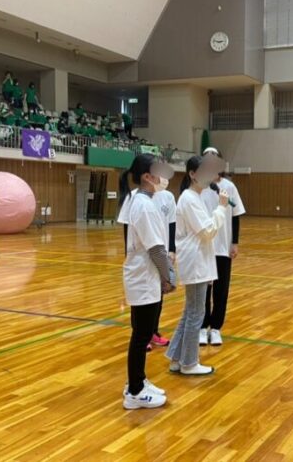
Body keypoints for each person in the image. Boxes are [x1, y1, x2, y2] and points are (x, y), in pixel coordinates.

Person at [119, 154, 176, 410]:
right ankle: (135, 391)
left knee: (142, 333)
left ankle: (139, 380)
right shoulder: (142, 205)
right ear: (147, 176)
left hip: (146, 274)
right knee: (142, 336)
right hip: (143, 276)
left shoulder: (145, 201)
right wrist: (168, 276)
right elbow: (155, 248)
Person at [166, 155, 229, 375]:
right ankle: (189, 363)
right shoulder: (189, 199)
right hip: (195, 261)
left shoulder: (194, 197)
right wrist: (221, 208)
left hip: (197, 260)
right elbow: (207, 231)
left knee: (190, 312)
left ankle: (176, 357)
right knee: (196, 314)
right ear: (193, 174)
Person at [118, 175, 176, 351]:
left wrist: (171, 250)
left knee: (157, 298)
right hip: (146, 257)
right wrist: (128, 254)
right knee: (142, 303)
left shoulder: (167, 197)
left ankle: (152, 332)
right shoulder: (136, 199)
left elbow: (171, 224)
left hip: (160, 255)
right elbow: (128, 229)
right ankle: (142, 335)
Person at [199, 147, 246, 346]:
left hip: (223, 247)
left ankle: (216, 328)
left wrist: (234, 242)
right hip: (203, 246)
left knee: (221, 290)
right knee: (203, 290)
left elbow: (235, 216)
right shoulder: (199, 186)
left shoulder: (229, 186)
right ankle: (202, 327)